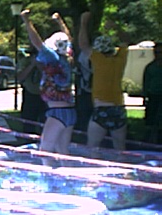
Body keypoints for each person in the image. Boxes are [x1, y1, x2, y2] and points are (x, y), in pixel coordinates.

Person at [20, 10, 76, 157]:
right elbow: (69, 39)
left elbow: (36, 42)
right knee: (62, 151)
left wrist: (26, 21)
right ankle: (67, 171)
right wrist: (60, 21)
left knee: (44, 151)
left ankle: (46, 172)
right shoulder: (67, 58)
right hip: (69, 111)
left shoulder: (53, 58)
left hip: (57, 113)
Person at [79, 11, 130, 151]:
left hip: (101, 108)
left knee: (93, 147)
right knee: (120, 148)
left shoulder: (98, 59)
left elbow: (83, 44)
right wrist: (116, 27)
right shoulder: (120, 59)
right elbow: (126, 39)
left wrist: (83, 23)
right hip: (119, 109)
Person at [17, 47, 47, 135]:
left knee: (44, 121)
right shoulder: (25, 62)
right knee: (28, 121)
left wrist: (40, 66)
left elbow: (50, 76)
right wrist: (31, 65)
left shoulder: (47, 62)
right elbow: (20, 77)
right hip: (29, 93)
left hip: (44, 94)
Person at [143, 42, 162, 144]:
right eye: (157, 52)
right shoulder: (150, 67)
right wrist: (144, 96)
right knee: (151, 120)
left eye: (160, 52)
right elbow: (146, 82)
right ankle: (150, 140)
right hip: (153, 95)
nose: (158, 54)